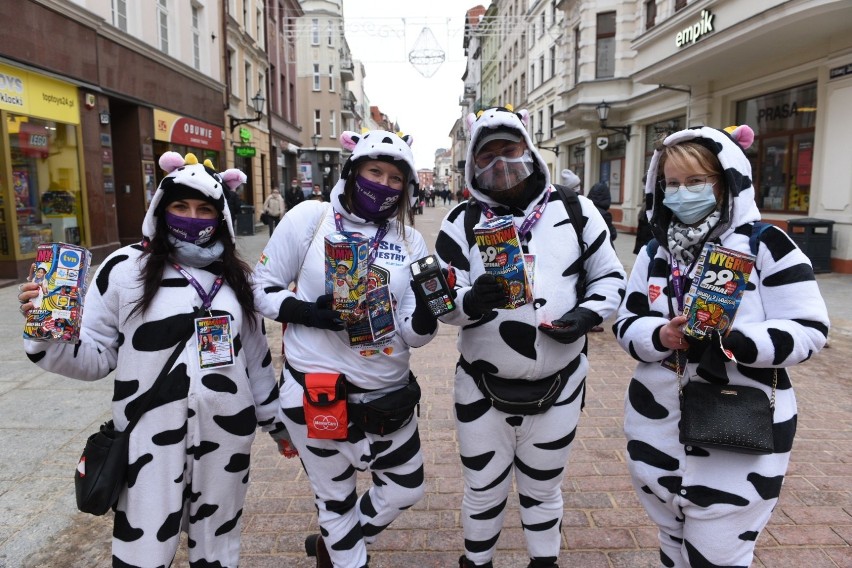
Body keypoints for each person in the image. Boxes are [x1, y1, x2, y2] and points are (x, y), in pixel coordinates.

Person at [16, 152, 285, 566]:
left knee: (218, 545)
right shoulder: (126, 270)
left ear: (221, 217)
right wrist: (46, 334)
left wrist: (279, 424)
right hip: (148, 442)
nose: (192, 217)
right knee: (143, 549)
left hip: (227, 441)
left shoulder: (236, 277)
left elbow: (255, 360)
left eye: (204, 209)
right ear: (161, 208)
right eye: (180, 206)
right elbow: (96, 355)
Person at [613, 125, 829, 567]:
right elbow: (627, 322)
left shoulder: (766, 244)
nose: (681, 192)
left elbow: (809, 328)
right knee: (672, 543)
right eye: (671, 183)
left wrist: (737, 343)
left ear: (726, 181)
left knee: (720, 555)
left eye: (696, 181)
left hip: (737, 430)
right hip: (659, 430)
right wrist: (661, 336)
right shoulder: (656, 252)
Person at [434, 106, 626, 568]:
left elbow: (611, 279)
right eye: (487, 155)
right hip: (481, 385)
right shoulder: (461, 221)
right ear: (472, 164)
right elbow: (441, 301)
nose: (500, 163)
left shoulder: (576, 211)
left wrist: (586, 315)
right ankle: (476, 562)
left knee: (544, 489)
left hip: (560, 383)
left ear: (528, 149)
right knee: (482, 489)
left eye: (509, 150)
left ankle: (545, 562)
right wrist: (471, 302)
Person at [253, 129, 439, 568]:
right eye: (375, 172)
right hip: (319, 394)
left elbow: (414, 334)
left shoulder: (410, 241)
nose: (385, 185)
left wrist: (429, 314)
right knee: (334, 502)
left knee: (406, 488)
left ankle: (336, 544)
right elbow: (261, 289)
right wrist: (307, 312)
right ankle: (345, 555)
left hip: (386, 398)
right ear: (353, 172)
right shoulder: (309, 219)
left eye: (396, 179)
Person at [632, 176, 654, 254]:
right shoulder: (646, 198)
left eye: (645, 183)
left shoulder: (653, 198)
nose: (644, 186)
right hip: (643, 236)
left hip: (649, 237)